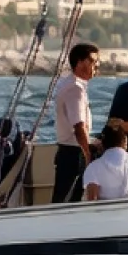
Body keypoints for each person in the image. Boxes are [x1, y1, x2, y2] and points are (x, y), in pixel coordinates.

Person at [51, 42, 100, 203]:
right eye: (92, 61)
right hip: (74, 153)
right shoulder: (75, 89)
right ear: (79, 62)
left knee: (64, 198)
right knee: (67, 201)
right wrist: (88, 154)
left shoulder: (69, 84)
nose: (97, 65)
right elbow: (79, 127)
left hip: (68, 151)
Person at [83, 124, 128, 201]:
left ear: (102, 143)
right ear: (125, 141)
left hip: (107, 208)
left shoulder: (93, 167)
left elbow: (92, 200)